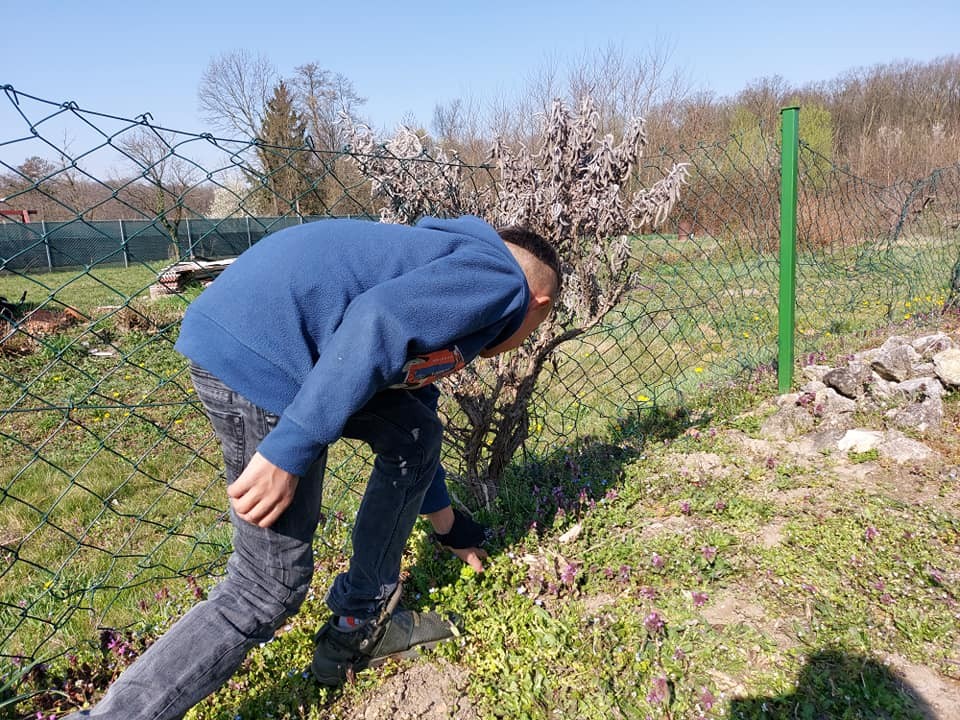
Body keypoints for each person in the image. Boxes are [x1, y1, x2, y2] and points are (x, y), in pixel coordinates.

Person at [68, 215, 560, 719]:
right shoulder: (501, 280)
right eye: (534, 331)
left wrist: (449, 528)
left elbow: (416, 415)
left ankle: (361, 622)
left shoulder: (444, 262)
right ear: (539, 306)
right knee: (267, 585)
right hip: (268, 355)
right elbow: (376, 320)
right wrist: (290, 447)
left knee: (413, 431)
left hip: (256, 332)